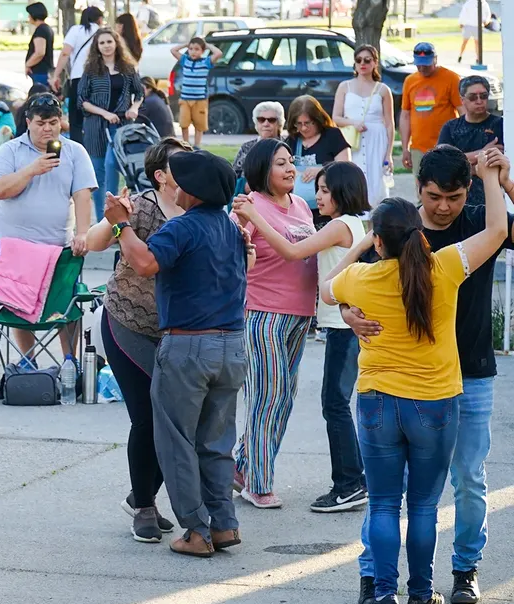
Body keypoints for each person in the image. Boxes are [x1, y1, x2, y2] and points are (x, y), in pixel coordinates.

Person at [322, 155, 508, 604]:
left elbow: (327, 287)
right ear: (418, 227)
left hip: (381, 399)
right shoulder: (444, 267)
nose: (443, 206)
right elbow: (497, 232)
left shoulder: (363, 273)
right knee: (424, 505)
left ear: (380, 241)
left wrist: (363, 243)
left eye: (454, 197)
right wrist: (493, 177)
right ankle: (420, 596)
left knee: (387, 501)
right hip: (436, 400)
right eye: (433, 197)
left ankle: (387, 595)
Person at [103, 149, 251, 558]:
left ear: (195, 191)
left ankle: (196, 531)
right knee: (216, 442)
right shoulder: (230, 227)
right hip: (231, 345)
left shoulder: (183, 226)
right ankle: (224, 524)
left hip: (188, 346)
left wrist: (121, 225)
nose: (175, 186)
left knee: (177, 441)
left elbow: (144, 263)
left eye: (181, 180)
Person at [233, 161, 369, 513]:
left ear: (343, 193)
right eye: (318, 189)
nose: (317, 196)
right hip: (279, 314)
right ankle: (251, 474)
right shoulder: (348, 224)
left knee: (330, 404)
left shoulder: (339, 225)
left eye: (325, 190)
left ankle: (350, 483)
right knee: (274, 397)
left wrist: (256, 216)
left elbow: (294, 252)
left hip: (336, 327)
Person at [85, 138, 188, 543]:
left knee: (176, 420)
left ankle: (140, 493)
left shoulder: (197, 208)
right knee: (147, 416)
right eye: (179, 164)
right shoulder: (142, 207)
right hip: (127, 321)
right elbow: (94, 242)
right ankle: (144, 506)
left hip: (175, 330)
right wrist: (115, 218)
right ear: (160, 175)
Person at [230, 138, 316, 509]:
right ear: (262, 169)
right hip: (263, 313)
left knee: (283, 398)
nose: (290, 168)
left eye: (291, 161)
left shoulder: (301, 205)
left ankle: (241, 466)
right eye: (280, 163)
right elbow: (231, 258)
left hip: (301, 314)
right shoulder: (247, 207)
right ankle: (258, 483)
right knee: (267, 396)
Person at [0, 93, 96, 362]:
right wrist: (31, 170)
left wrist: (83, 233)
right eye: (40, 123)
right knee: (17, 306)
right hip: (14, 245)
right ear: (28, 122)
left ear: (61, 122)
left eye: (53, 122)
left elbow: (83, 195)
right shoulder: (10, 151)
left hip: (59, 245)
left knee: (66, 304)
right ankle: (28, 361)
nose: (47, 129)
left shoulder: (74, 152)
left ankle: (70, 363)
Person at [78, 27, 143, 221]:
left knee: (111, 165)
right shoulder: (91, 70)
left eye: (109, 42)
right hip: (96, 126)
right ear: (97, 46)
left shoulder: (128, 68)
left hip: (121, 126)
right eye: (102, 43)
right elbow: (82, 100)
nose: (106, 46)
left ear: (116, 43)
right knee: (98, 173)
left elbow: (139, 93)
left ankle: (114, 217)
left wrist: (134, 108)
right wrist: (104, 113)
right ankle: (102, 221)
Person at [333, 45, 395, 208]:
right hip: (353, 139)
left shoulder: (383, 89)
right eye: (358, 60)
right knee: (354, 176)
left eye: (367, 60)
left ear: (375, 63)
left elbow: (389, 124)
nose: (362, 64)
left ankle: (377, 218)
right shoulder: (345, 86)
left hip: (377, 139)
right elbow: (336, 117)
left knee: (376, 181)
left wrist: (388, 154)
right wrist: (353, 123)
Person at [438, 76, 504, 206]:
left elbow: (498, 164)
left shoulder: (500, 125)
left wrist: (461, 164)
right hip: (456, 197)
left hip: (491, 197)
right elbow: (442, 161)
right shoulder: (451, 127)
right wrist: (482, 153)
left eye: (483, 96)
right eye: (473, 97)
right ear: (462, 99)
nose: (479, 101)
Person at [401, 42, 462, 174]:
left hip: (446, 146)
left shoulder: (451, 78)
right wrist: (405, 148)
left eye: (426, 64)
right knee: (421, 184)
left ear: (435, 59)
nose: (422, 68)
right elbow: (405, 115)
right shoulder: (410, 81)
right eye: (419, 64)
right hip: (418, 147)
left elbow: (462, 111)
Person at [286, 95, 351, 218]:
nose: (303, 128)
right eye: (298, 124)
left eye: (308, 123)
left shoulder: (332, 136)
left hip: (329, 209)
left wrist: (321, 170)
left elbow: (346, 167)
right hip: (300, 209)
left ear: (317, 119)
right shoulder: (292, 140)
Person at [51, 6, 104, 143]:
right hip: (99, 78)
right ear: (99, 19)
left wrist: (56, 75)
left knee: (75, 119)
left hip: (78, 78)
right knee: (97, 115)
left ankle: (77, 147)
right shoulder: (102, 32)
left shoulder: (76, 30)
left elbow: (65, 53)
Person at [170, 37, 223, 148]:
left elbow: (218, 53)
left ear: (202, 51)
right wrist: (186, 44)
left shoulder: (206, 62)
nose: (193, 52)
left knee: (199, 124)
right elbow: (173, 50)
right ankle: (185, 144)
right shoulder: (185, 60)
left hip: (200, 99)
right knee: (184, 123)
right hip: (185, 99)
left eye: (197, 49)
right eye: (191, 49)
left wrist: (207, 45)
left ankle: (197, 145)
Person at [233, 102, 285, 181]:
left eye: (271, 120)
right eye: (261, 120)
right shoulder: (246, 148)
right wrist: (244, 185)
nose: (266, 124)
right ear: (256, 123)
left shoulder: (287, 146)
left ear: (279, 123)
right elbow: (234, 176)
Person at [24, 2, 54, 86]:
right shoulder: (46, 28)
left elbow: (40, 52)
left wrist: (28, 64)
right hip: (45, 71)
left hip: (40, 72)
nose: (28, 17)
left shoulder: (41, 30)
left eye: (29, 14)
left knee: (39, 92)